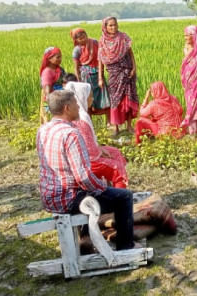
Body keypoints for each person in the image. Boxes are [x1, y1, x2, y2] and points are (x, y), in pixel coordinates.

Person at [36, 90, 134, 250]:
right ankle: (126, 247)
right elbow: (83, 177)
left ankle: (87, 239)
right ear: (67, 108)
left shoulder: (43, 129)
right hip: (68, 199)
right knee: (123, 197)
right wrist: (102, 188)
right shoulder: (71, 134)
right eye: (76, 104)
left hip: (49, 197)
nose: (78, 108)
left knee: (94, 194)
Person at [64, 81, 129, 189]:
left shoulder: (72, 114)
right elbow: (90, 151)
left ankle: (109, 188)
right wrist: (100, 152)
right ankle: (119, 198)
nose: (92, 99)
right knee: (117, 168)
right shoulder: (81, 118)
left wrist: (99, 149)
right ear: (82, 97)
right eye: (90, 96)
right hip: (85, 161)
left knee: (115, 152)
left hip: (80, 156)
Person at [98, 16, 138, 135]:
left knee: (128, 98)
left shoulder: (123, 37)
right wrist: (100, 77)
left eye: (115, 24)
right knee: (115, 100)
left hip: (127, 71)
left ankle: (129, 126)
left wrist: (134, 68)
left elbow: (131, 53)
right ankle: (116, 127)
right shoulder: (102, 41)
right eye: (110, 25)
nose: (113, 27)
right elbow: (100, 59)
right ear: (105, 27)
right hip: (114, 73)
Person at [70, 27, 110, 117]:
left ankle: (109, 121)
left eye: (84, 36)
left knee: (104, 97)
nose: (83, 39)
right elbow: (76, 68)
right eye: (80, 38)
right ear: (76, 40)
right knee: (87, 100)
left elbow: (101, 58)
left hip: (98, 74)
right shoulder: (77, 50)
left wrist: (101, 76)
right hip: (86, 77)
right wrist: (78, 81)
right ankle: (89, 121)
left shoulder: (95, 43)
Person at [39, 46, 65, 123]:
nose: (60, 59)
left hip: (60, 95)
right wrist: (50, 98)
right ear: (49, 58)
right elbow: (47, 87)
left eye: (61, 57)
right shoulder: (47, 72)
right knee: (51, 117)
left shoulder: (60, 69)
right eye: (58, 57)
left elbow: (64, 80)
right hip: (51, 96)